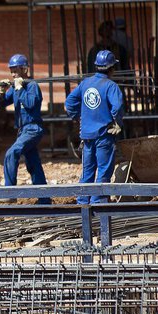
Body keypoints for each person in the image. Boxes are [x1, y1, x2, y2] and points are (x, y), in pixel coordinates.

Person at [65, 50, 124, 204]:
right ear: (112, 69)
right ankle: (99, 205)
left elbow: (70, 103)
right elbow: (117, 106)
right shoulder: (111, 86)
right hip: (104, 135)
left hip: (87, 136)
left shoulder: (85, 83)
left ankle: (83, 203)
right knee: (104, 171)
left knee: (87, 172)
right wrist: (117, 121)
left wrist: (78, 118)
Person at [0, 54, 51, 205]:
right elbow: (2, 103)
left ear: (24, 69)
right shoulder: (15, 87)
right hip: (23, 130)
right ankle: (45, 199)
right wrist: (1, 92)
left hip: (33, 129)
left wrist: (20, 89)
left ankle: (9, 192)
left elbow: (31, 104)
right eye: (11, 71)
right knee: (34, 164)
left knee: (11, 153)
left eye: (16, 70)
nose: (13, 74)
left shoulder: (32, 85)